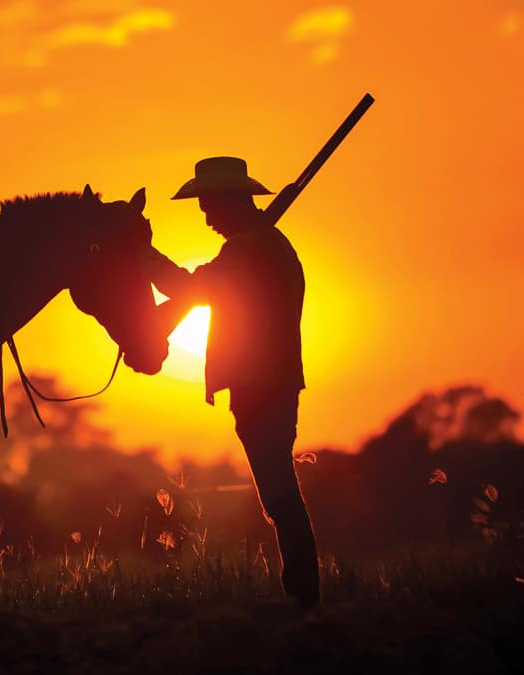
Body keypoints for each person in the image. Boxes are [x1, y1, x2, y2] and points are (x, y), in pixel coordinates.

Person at [144, 156, 320, 609]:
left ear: (229, 201)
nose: (205, 217)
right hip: (269, 383)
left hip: (261, 385)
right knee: (279, 491)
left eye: (208, 205)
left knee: (279, 493)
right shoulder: (260, 246)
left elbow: (190, 288)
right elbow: (207, 290)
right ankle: (301, 593)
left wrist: (144, 258)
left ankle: (302, 595)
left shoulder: (249, 249)